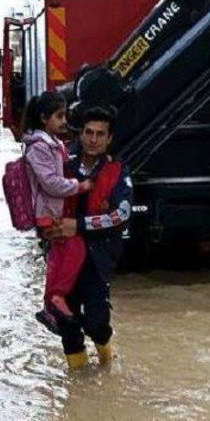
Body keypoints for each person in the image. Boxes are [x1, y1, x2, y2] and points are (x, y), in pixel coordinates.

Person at [47, 106, 133, 369]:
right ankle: (78, 390)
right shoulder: (62, 166)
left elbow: (122, 214)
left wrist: (79, 225)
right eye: (88, 132)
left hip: (98, 259)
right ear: (81, 134)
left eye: (100, 134)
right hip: (63, 256)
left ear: (109, 139)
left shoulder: (118, 172)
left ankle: (108, 365)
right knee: (67, 326)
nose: (93, 139)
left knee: (97, 323)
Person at [21, 92, 92, 329]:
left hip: (53, 212)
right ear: (44, 118)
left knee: (57, 258)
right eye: (59, 116)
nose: (64, 121)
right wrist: (79, 186)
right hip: (47, 214)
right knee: (75, 249)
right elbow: (50, 183)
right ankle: (56, 297)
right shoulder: (39, 148)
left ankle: (50, 305)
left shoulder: (51, 144)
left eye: (65, 115)